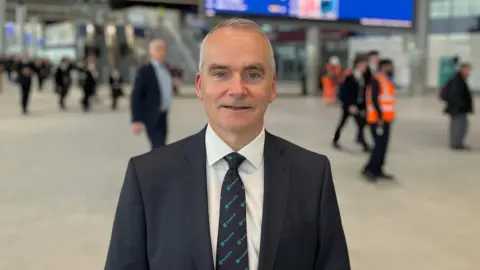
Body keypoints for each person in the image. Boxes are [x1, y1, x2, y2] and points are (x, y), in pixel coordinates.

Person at [105, 18, 350, 270]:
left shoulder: (311, 175)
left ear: (272, 87)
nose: (237, 89)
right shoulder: (147, 177)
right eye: (221, 74)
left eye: (252, 75)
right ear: (201, 86)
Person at [130, 39, 173, 149]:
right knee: (158, 146)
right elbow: (136, 95)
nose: (161, 53)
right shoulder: (145, 71)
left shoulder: (166, 69)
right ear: (151, 52)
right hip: (152, 115)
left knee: (161, 145)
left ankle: (158, 165)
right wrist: (136, 120)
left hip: (163, 114)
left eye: (163, 50)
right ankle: (157, 166)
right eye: (158, 50)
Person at [362, 59, 396, 181]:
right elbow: (374, 99)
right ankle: (369, 169)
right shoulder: (376, 80)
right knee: (378, 145)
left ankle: (378, 169)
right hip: (377, 120)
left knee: (383, 146)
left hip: (386, 119)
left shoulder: (386, 80)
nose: (393, 68)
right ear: (383, 67)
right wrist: (380, 117)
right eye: (390, 66)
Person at [333, 55, 370, 152]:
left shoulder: (364, 77)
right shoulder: (349, 77)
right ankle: (362, 143)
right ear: (358, 65)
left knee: (362, 122)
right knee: (347, 122)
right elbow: (343, 92)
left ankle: (360, 139)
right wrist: (349, 105)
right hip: (349, 105)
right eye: (363, 66)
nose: (365, 68)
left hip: (359, 104)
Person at [442, 62, 474, 150]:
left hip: (459, 108)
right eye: (467, 70)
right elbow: (454, 94)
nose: (469, 72)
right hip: (457, 108)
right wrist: (460, 104)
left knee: (461, 125)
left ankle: (457, 143)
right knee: (458, 126)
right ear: (462, 70)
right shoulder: (457, 80)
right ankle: (456, 144)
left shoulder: (460, 79)